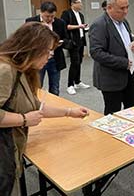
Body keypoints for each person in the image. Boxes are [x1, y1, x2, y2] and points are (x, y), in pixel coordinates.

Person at [0, 22, 88, 196]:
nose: (51, 55)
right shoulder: (5, 70)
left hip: (12, 149)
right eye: (47, 50)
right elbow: (27, 113)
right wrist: (24, 119)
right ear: (32, 47)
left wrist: (70, 112)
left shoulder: (22, 69)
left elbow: (35, 106)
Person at [89, 0, 134, 115]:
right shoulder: (99, 25)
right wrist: (122, 62)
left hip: (130, 74)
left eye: (127, 7)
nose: (125, 11)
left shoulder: (124, 21)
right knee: (113, 114)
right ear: (109, 8)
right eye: (121, 8)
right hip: (111, 77)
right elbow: (96, 52)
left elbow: (128, 40)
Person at [25, 2, 69, 95]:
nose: (49, 19)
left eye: (52, 16)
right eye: (47, 16)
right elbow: (26, 40)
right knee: (36, 87)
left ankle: (52, 108)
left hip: (55, 59)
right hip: (38, 60)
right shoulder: (31, 22)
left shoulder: (60, 23)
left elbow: (66, 38)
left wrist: (61, 42)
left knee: (55, 88)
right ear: (41, 12)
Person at [61, 0, 90, 95]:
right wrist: (79, 26)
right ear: (73, 4)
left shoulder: (81, 15)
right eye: (79, 3)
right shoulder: (67, 13)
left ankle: (77, 81)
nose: (81, 4)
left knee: (79, 62)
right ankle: (70, 85)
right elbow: (65, 26)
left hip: (81, 40)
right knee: (75, 63)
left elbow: (81, 27)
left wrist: (85, 28)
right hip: (73, 42)